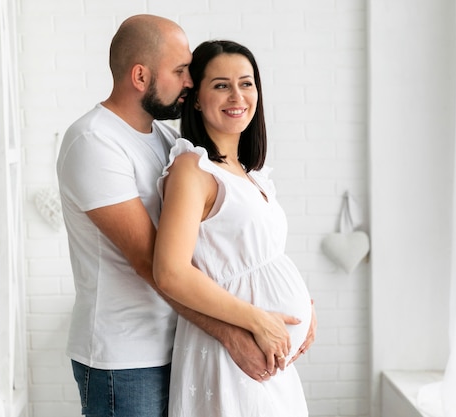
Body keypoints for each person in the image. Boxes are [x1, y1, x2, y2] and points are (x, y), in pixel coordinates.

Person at [57, 15, 314, 417]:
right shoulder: (94, 142)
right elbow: (152, 264)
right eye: (180, 71)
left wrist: (298, 306)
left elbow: (221, 246)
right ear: (140, 76)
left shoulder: (167, 140)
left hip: (176, 341)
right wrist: (236, 332)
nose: (189, 81)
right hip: (126, 358)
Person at [153, 40, 315, 417]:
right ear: (195, 98)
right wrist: (259, 319)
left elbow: (265, 258)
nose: (237, 95)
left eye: (246, 83)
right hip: (228, 353)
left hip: (270, 360)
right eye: (221, 85)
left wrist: (305, 305)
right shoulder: (193, 169)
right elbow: (170, 272)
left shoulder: (249, 173)